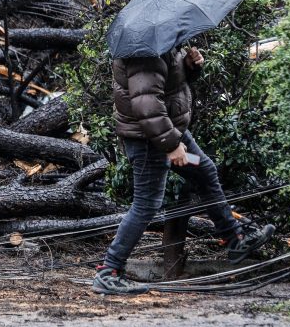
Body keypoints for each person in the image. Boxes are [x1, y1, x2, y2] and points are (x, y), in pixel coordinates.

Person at [92, 47, 275, 295]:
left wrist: (190, 66)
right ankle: (109, 271)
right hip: (151, 141)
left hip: (172, 132)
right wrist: (170, 145)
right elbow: (146, 104)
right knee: (147, 203)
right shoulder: (145, 50)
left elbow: (165, 85)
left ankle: (234, 239)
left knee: (204, 170)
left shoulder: (163, 44)